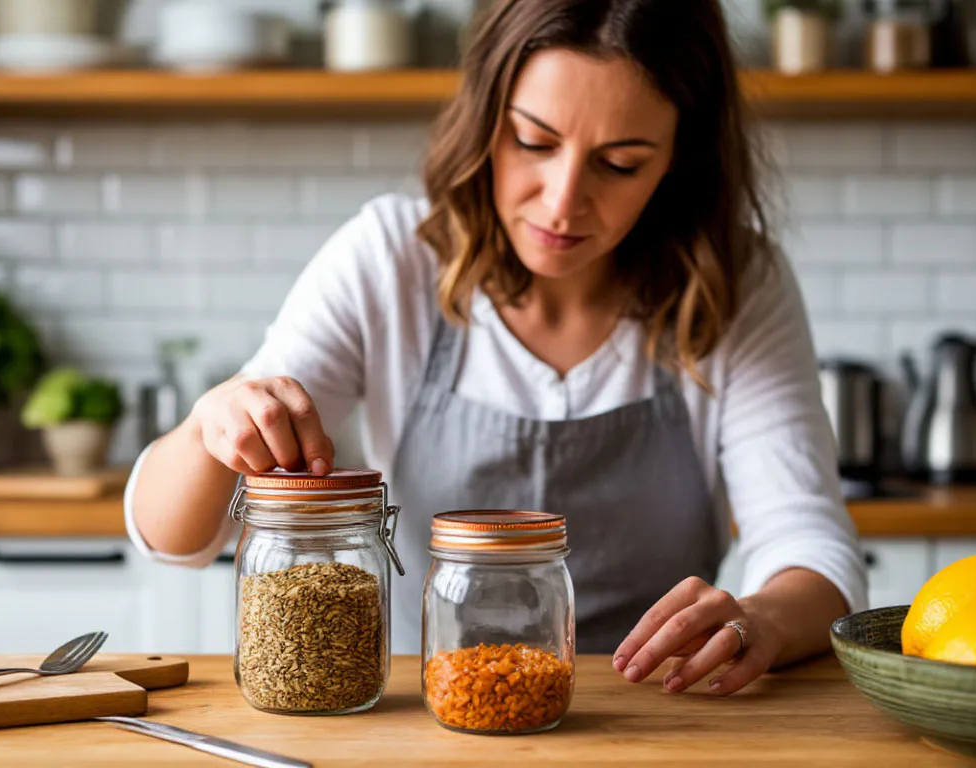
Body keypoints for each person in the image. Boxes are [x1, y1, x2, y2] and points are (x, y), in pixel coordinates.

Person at [126, 0, 867, 697]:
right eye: (534, 141)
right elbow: (175, 540)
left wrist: (763, 618)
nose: (562, 200)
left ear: (680, 157)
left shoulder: (737, 284)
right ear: (486, 117)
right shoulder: (390, 260)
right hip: (435, 719)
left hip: (662, 720)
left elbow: (812, 548)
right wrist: (211, 425)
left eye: (621, 162)